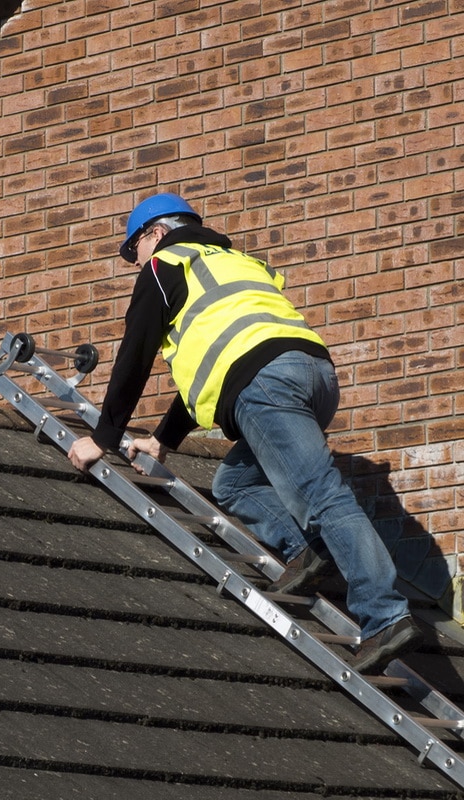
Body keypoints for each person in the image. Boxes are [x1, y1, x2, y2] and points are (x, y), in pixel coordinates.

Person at [68, 192, 423, 674]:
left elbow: (135, 355)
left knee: (323, 494)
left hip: (265, 385)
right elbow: (220, 358)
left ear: (154, 233)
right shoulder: (235, 262)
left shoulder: (165, 264)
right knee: (234, 484)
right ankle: (308, 550)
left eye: (135, 250)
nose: (137, 262)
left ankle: (383, 616)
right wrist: (164, 439)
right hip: (313, 374)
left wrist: (102, 438)